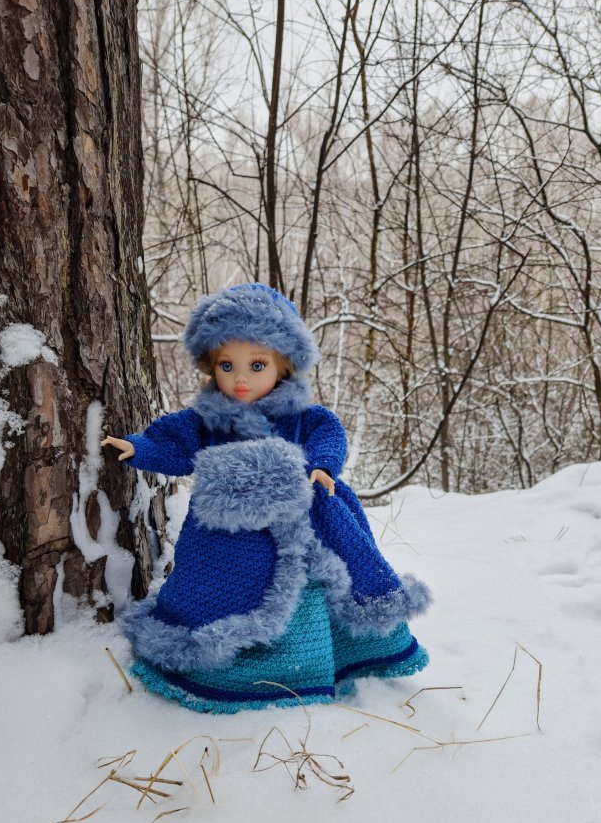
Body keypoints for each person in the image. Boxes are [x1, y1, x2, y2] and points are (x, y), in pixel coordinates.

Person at [101, 282, 431, 714]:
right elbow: (176, 443)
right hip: (228, 533)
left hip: (306, 519)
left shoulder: (304, 417)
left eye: (257, 365)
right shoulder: (207, 420)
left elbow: (328, 436)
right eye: (227, 364)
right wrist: (139, 448)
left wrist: (321, 467)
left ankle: (309, 667)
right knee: (221, 592)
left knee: (318, 585)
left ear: (284, 366)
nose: (240, 378)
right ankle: (225, 668)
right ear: (211, 365)